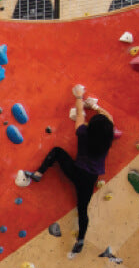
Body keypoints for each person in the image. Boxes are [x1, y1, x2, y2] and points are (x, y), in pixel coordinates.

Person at [26, 85, 115, 256]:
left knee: (57, 152)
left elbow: (80, 114)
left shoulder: (83, 133)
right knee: (82, 209)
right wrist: (96, 107)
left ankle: (39, 173)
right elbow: (109, 119)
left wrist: (80, 97)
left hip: (75, 170)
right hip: (89, 179)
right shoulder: (106, 140)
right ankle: (80, 239)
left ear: (90, 127)